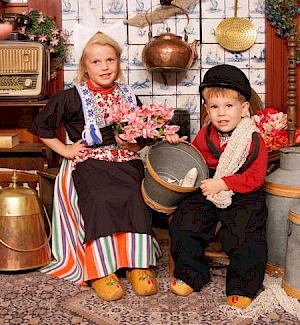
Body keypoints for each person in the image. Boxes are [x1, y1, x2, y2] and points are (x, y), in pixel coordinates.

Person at [29, 31, 183, 302]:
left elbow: (139, 135)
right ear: (85, 67)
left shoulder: (127, 93)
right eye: (96, 62)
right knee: (101, 197)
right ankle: (101, 269)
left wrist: (137, 145)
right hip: (88, 161)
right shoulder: (71, 97)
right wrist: (66, 149)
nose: (104, 67)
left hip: (124, 161)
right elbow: (41, 127)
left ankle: (138, 264)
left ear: (118, 63)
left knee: (136, 195)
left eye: (110, 60)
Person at [169, 64, 268, 309]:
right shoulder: (205, 134)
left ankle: (242, 286)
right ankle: (192, 273)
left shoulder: (253, 139)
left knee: (245, 232)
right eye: (214, 107)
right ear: (206, 109)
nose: (221, 114)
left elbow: (254, 178)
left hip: (242, 188)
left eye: (229, 106)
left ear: (244, 108)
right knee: (185, 220)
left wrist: (224, 183)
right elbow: (195, 158)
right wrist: (176, 144)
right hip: (209, 183)